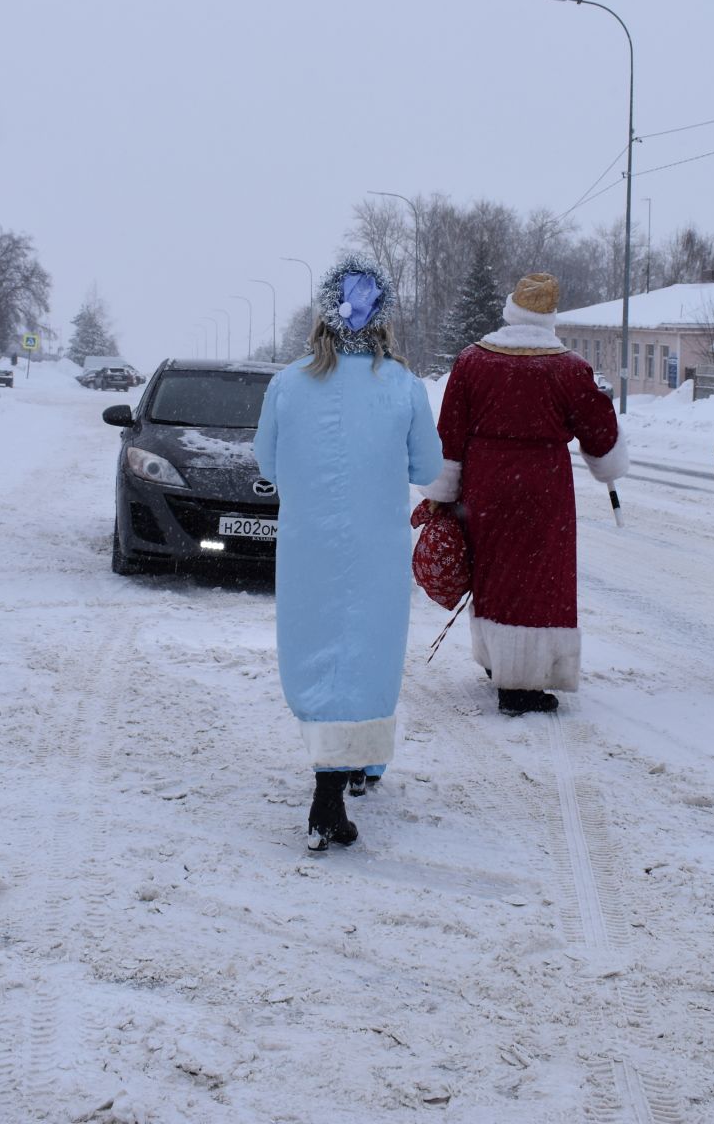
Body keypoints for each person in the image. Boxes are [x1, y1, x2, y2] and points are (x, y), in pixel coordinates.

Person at [254, 258, 442, 851]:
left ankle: (334, 771)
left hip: (310, 545)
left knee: (317, 651)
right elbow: (428, 468)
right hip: (375, 550)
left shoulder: (288, 384)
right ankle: (341, 782)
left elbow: (266, 461)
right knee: (368, 652)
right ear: (383, 322)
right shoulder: (403, 388)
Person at [421, 272, 625, 716]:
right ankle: (523, 685)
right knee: (539, 578)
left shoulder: (473, 361)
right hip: (544, 485)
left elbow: (450, 432)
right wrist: (603, 452)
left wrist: (442, 492)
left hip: (486, 483)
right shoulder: (569, 368)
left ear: (510, 308)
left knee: (494, 570)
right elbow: (600, 434)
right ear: (550, 317)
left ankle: (500, 664)